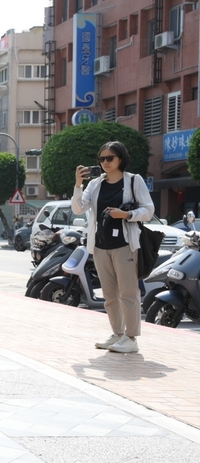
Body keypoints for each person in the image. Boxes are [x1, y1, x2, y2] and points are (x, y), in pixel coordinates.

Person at [72, 141, 154, 354]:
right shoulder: (95, 184)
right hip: (100, 245)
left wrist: (126, 214)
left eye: (110, 158)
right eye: (102, 159)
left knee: (128, 292)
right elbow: (79, 208)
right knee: (109, 294)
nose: (105, 162)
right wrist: (78, 185)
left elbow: (149, 210)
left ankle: (131, 337)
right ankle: (117, 333)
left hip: (125, 244)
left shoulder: (134, 181)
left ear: (121, 159)